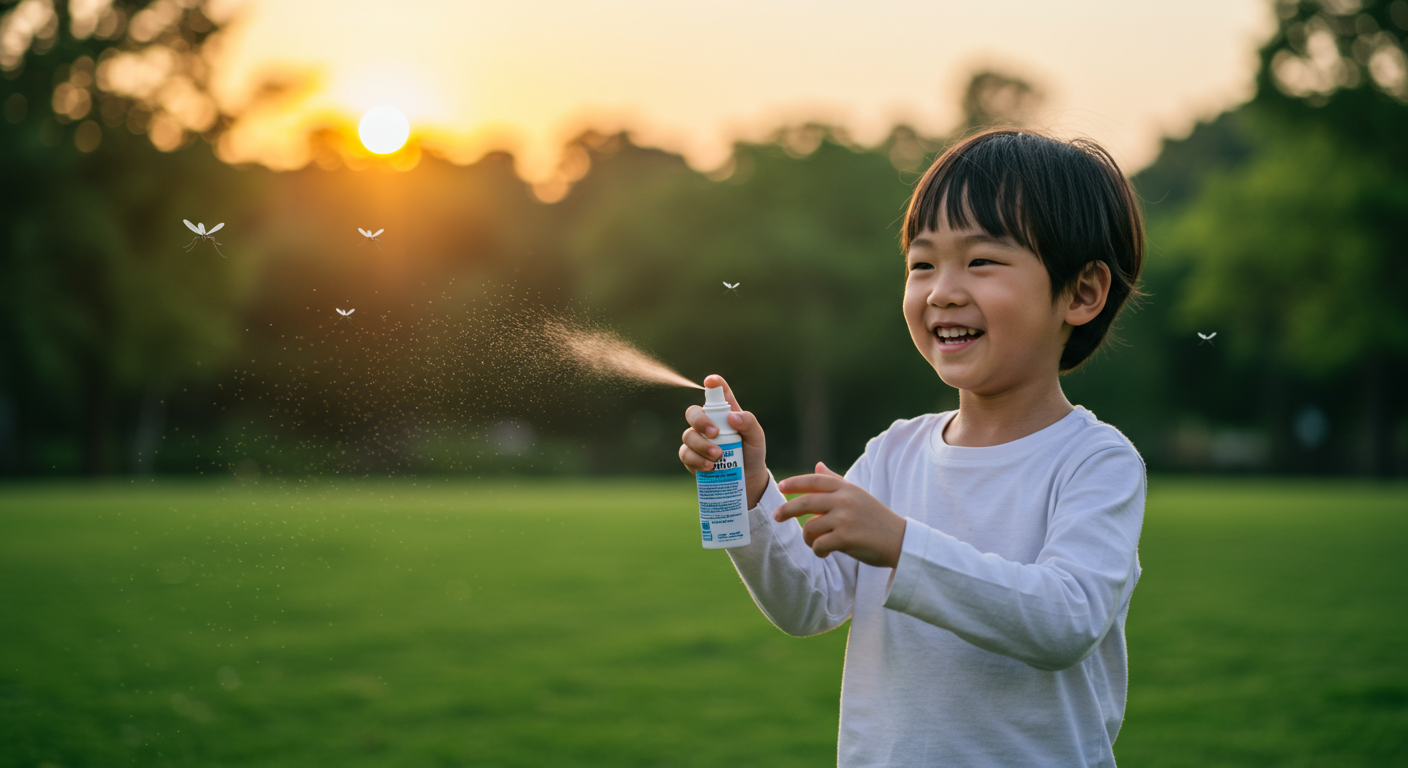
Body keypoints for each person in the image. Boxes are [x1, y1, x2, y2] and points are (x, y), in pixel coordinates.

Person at [679, 129, 1147, 767]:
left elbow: (1065, 621)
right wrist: (747, 488)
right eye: (922, 264)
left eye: (981, 261)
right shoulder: (895, 452)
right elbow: (806, 603)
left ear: (1082, 292)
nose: (941, 291)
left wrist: (902, 544)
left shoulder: (1095, 461)